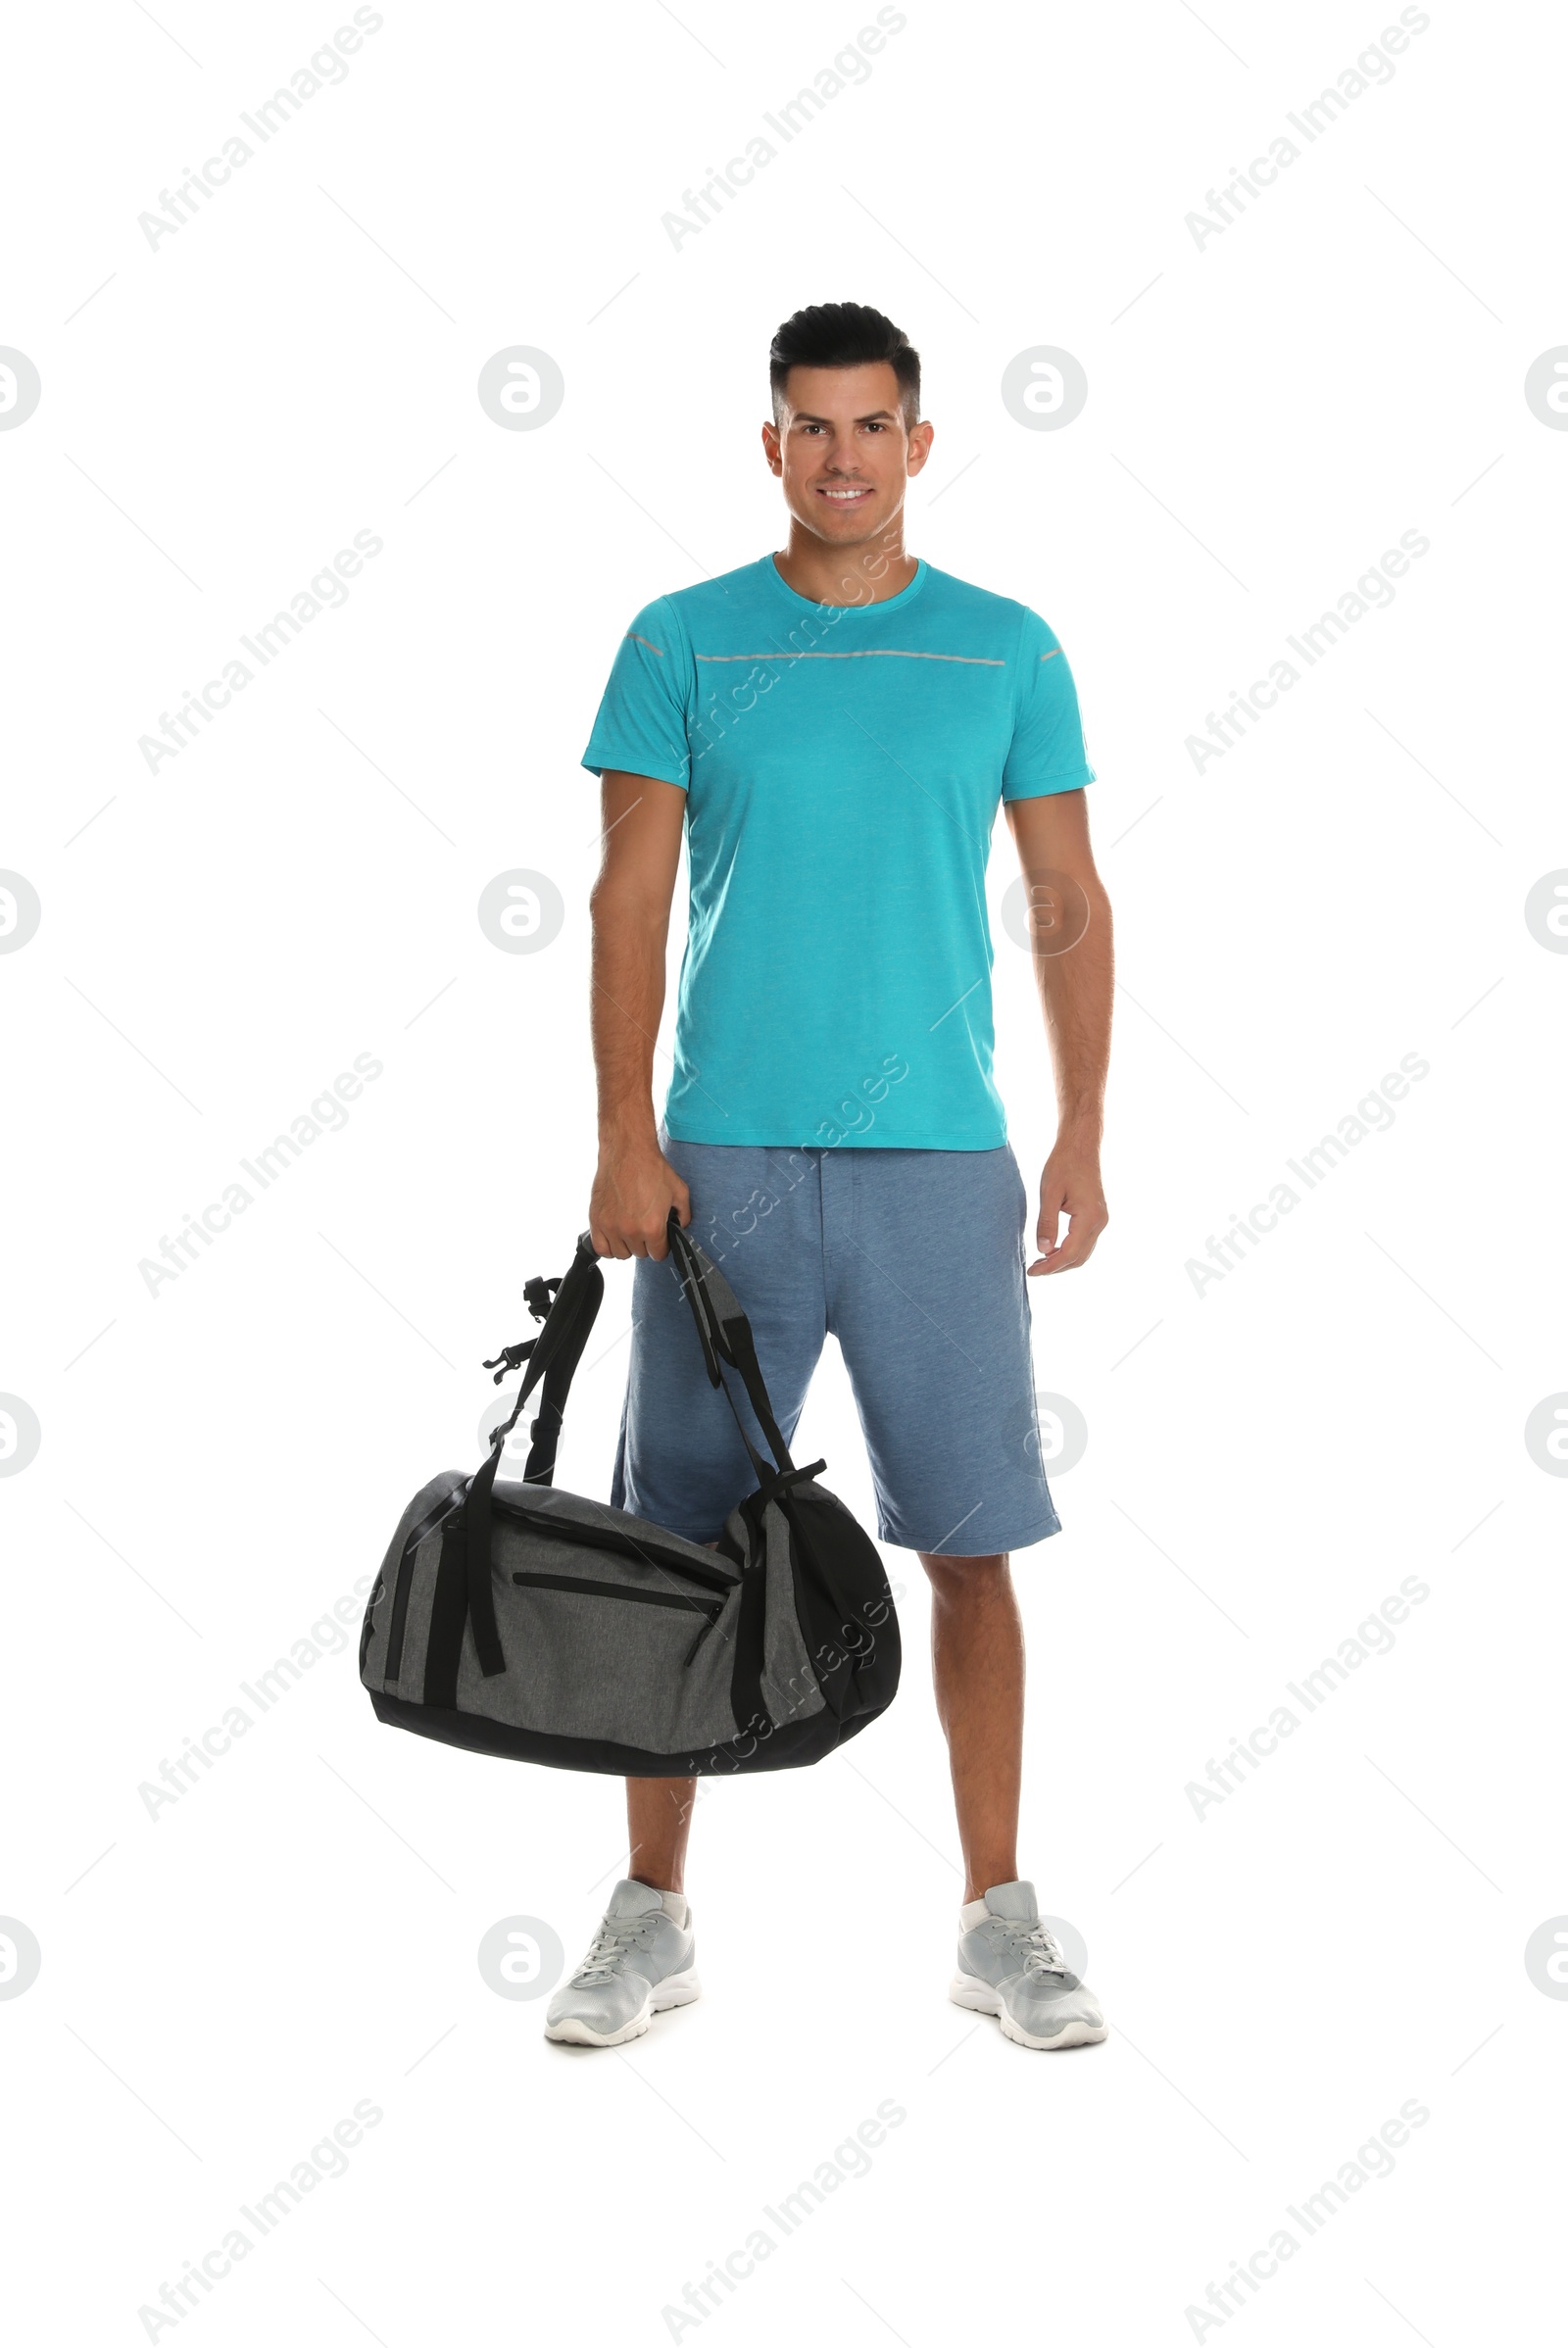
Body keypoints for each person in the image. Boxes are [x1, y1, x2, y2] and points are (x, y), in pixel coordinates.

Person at [546, 302, 1113, 2053]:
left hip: (942, 1164)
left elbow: (1070, 900)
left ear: (921, 445)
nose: (845, 457)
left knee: (970, 1544)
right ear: (771, 444)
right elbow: (628, 897)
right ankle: (652, 1918)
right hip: (728, 1167)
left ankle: (998, 1919)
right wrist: (623, 1136)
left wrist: (1084, 1124)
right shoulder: (684, 642)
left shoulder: (1007, 649)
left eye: (876, 427)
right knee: (674, 1551)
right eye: (813, 427)